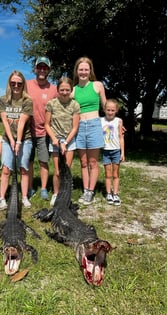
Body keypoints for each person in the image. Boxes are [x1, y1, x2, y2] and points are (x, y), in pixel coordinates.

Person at [72, 56, 106, 205]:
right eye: (81, 69)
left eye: (86, 69)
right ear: (77, 71)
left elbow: (106, 107)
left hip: (94, 125)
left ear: (90, 70)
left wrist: (116, 123)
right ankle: (86, 189)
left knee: (93, 162)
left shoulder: (98, 85)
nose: (83, 72)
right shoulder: (73, 91)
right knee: (83, 162)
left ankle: (91, 191)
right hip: (79, 127)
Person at [0, 70, 33, 209]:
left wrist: (18, 141)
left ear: (23, 84)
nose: (16, 86)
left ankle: (24, 197)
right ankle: (2, 198)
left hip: (25, 139)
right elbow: (5, 121)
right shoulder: (3, 99)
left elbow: (22, 123)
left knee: (23, 168)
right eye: (13, 83)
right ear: (9, 84)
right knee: (6, 169)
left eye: (19, 83)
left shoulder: (27, 100)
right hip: (7, 139)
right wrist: (11, 141)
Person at [45, 76, 80, 206]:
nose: (65, 92)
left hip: (69, 141)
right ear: (58, 89)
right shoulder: (51, 104)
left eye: (67, 90)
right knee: (58, 171)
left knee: (67, 169)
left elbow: (75, 126)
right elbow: (47, 124)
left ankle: (66, 195)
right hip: (55, 140)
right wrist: (55, 139)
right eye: (62, 90)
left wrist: (65, 142)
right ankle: (56, 194)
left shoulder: (75, 104)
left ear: (71, 90)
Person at [27, 57, 58, 200]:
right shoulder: (26, 85)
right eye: (39, 67)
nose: (42, 70)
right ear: (35, 68)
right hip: (27, 131)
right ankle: (29, 187)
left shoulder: (54, 89)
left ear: (49, 70)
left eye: (45, 67)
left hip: (44, 132)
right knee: (28, 161)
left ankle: (44, 189)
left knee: (44, 161)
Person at [101, 99, 125, 206]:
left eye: (112, 110)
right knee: (107, 174)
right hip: (105, 151)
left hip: (116, 151)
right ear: (104, 110)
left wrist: (122, 152)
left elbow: (121, 137)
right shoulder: (100, 121)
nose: (110, 112)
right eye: (108, 110)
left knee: (115, 174)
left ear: (116, 111)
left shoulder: (119, 121)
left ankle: (115, 193)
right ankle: (108, 193)